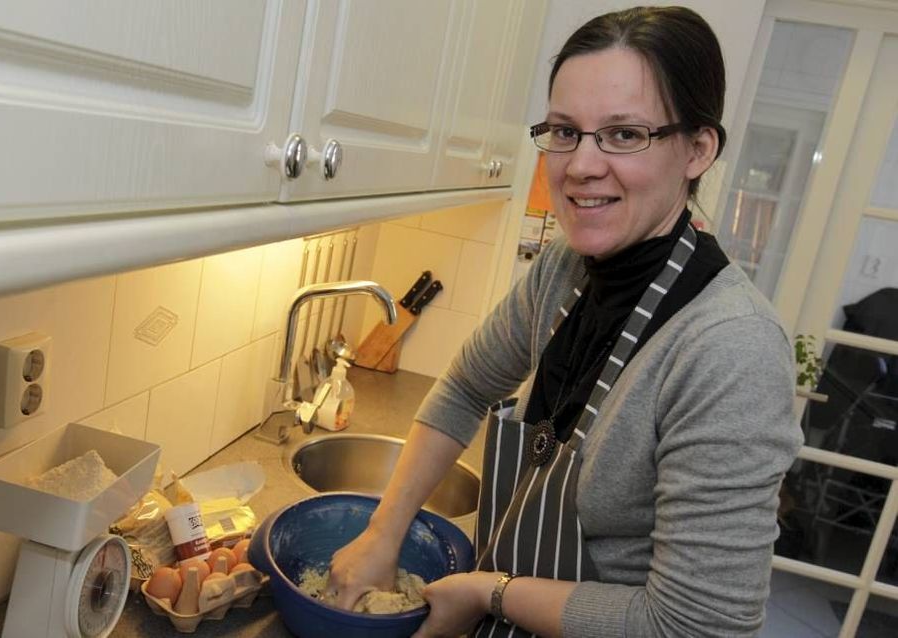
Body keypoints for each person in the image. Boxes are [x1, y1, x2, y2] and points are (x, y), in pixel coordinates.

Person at [327, 6, 803, 637]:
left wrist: (486, 592)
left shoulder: (730, 348)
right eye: (564, 130)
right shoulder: (566, 268)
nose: (580, 165)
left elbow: (696, 627)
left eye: (625, 134)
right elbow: (468, 386)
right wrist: (382, 533)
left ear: (697, 149)